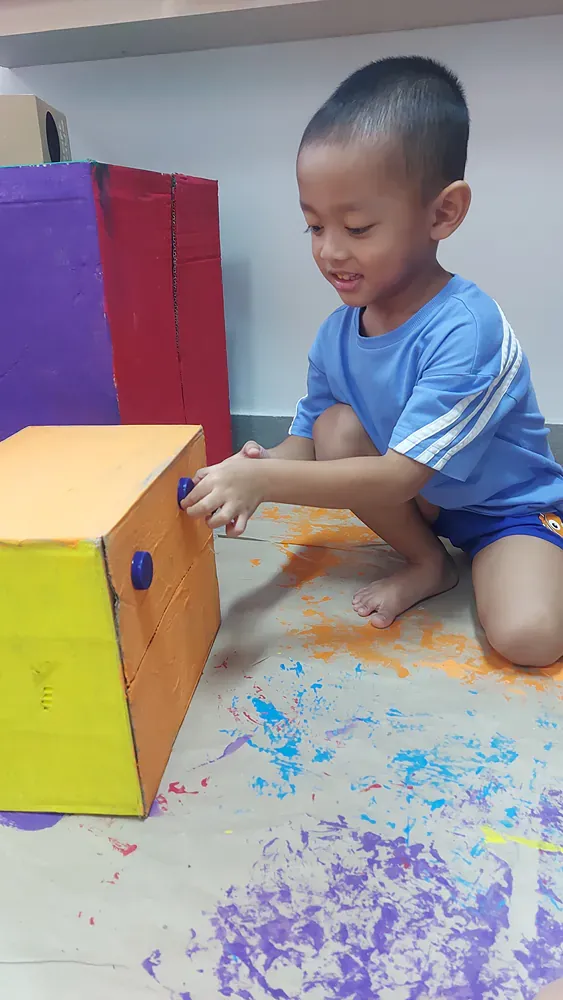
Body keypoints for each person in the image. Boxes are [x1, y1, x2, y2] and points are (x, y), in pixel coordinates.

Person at [184, 56, 563, 668]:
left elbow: (396, 479)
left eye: (358, 227)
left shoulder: (467, 328)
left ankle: (538, 552)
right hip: (430, 511)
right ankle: (428, 563)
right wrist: (249, 465)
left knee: (529, 638)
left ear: (443, 213)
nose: (331, 251)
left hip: (506, 510)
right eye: (313, 226)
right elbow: (308, 443)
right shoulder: (338, 334)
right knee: (336, 426)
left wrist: (265, 482)